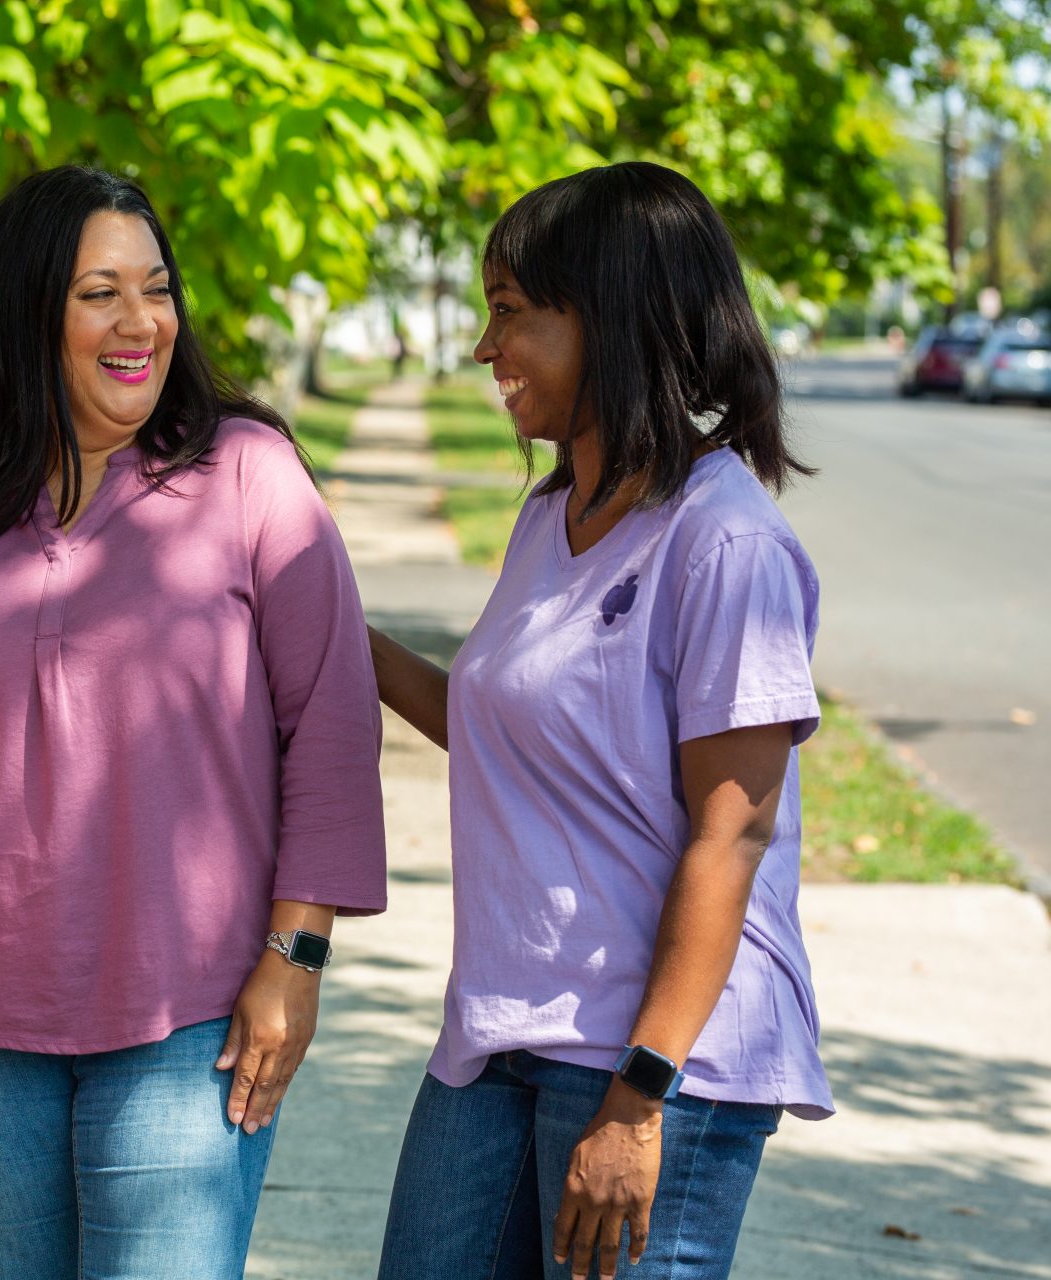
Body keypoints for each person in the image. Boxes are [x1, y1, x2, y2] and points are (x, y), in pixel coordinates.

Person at [0, 165, 388, 1279]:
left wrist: (296, 957)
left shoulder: (250, 476)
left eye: (156, 288)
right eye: (99, 294)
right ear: (28, 313)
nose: (141, 323)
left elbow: (329, 723)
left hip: (193, 1013)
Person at [371, 162, 833, 1280]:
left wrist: (640, 1096)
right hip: (501, 1032)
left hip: (653, 1061)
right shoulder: (550, 516)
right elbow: (502, 728)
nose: (487, 349)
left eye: (512, 313)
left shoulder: (726, 543)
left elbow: (733, 830)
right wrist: (327, 629)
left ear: (612, 320)